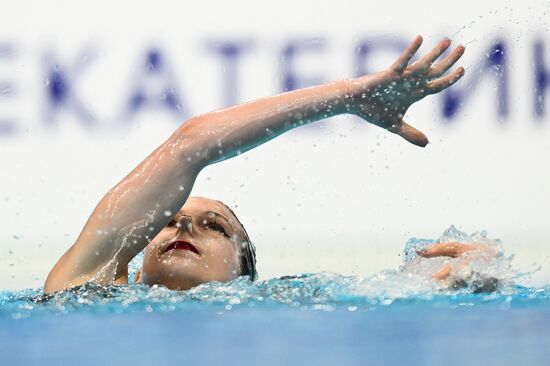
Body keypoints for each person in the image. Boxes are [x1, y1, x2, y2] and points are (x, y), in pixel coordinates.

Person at [44, 35, 467, 294]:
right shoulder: (87, 287)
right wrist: (345, 95)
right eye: (165, 222)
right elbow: (189, 144)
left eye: (216, 226)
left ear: (243, 274)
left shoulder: (286, 303)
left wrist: (469, 277)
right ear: (134, 270)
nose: (186, 227)